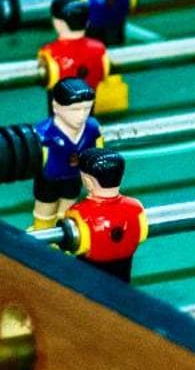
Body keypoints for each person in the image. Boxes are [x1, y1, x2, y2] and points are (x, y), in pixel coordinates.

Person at [65, 148, 145, 282]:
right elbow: (140, 236)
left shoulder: (78, 213)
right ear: (122, 177)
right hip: (123, 272)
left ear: (87, 181)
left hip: (90, 276)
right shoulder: (136, 208)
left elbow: (74, 246)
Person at [33, 79, 103, 226]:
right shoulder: (43, 133)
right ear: (56, 107)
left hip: (73, 177)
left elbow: (97, 151)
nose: (82, 115)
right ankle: (41, 228)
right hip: (48, 179)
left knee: (67, 209)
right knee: (45, 210)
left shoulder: (92, 128)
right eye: (75, 110)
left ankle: (64, 229)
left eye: (87, 108)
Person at [38, 0, 109, 92]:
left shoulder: (49, 52)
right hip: (90, 99)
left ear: (58, 23)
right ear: (87, 23)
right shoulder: (99, 49)